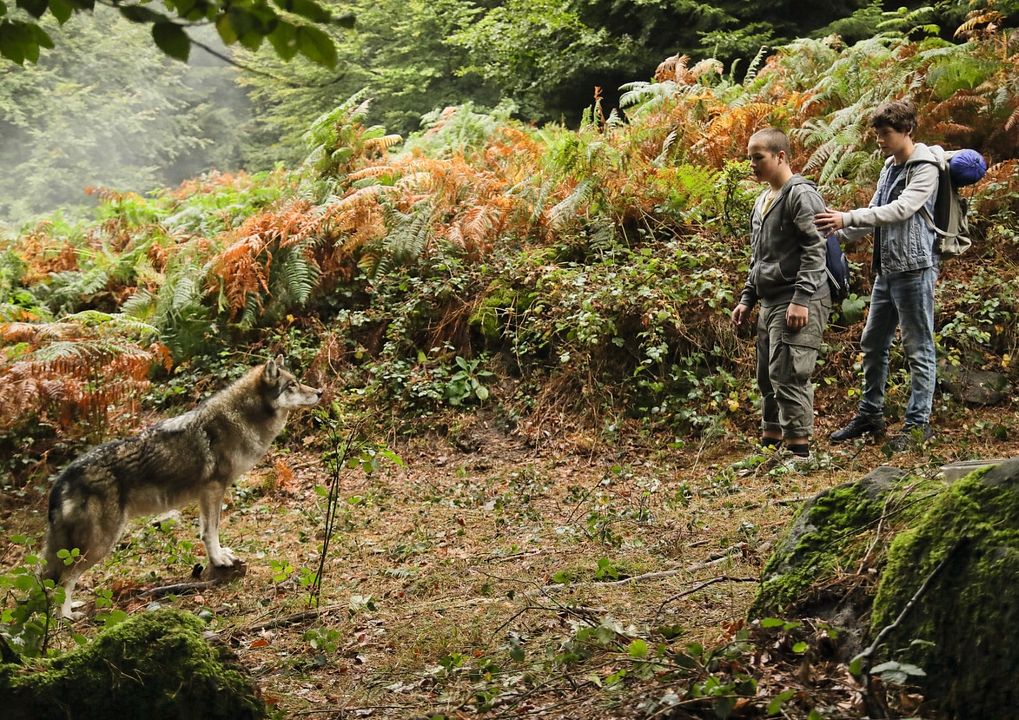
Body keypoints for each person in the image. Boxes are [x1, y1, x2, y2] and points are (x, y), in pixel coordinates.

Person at [815, 100, 939, 452]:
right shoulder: (889, 166)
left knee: (918, 346)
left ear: (906, 131)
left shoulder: (925, 167)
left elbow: (902, 210)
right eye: (877, 134)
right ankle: (871, 414)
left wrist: (846, 218)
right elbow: (873, 210)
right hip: (887, 269)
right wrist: (835, 233)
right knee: (873, 342)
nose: (880, 141)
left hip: (915, 269)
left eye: (885, 134)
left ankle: (918, 425)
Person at [732, 127, 831, 465]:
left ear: (780, 156)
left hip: (799, 298)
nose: (752, 165)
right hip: (771, 299)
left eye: (758, 158)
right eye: (749, 159)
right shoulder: (763, 200)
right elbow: (758, 257)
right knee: (767, 376)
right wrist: (747, 298)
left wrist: (802, 298)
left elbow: (815, 248)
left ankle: (799, 451)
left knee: (789, 373)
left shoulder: (800, 195)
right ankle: (771, 443)